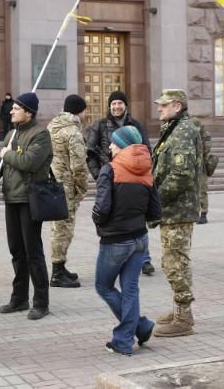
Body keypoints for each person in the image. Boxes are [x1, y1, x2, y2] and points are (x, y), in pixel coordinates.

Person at [0, 93, 53, 320]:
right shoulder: (11, 134)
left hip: (30, 199)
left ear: (28, 112)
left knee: (33, 252)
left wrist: (8, 153)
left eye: (15, 108)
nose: (11, 112)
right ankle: (19, 298)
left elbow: (29, 162)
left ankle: (41, 302)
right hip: (11, 198)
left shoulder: (40, 135)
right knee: (16, 251)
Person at [93, 125, 161, 355]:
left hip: (115, 240)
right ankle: (140, 327)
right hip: (140, 239)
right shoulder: (147, 170)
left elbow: (101, 208)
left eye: (113, 142)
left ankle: (124, 339)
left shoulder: (109, 170)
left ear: (122, 145)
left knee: (103, 286)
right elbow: (155, 212)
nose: (110, 146)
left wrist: (99, 223)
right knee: (130, 289)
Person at [86, 90, 156, 276]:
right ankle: (117, 258)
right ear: (109, 107)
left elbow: (147, 150)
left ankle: (144, 259)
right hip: (110, 178)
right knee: (112, 215)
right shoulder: (100, 125)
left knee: (137, 216)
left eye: (119, 103)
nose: (116, 107)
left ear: (126, 105)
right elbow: (90, 153)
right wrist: (99, 175)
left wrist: (145, 172)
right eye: (113, 104)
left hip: (134, 178)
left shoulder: (136, 124)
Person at [151, 89, 201, 337]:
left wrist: (155, 201)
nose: (159, 108)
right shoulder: (173, 128)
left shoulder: (182, 131)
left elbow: (181, 175)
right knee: (171, 260)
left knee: (175, 262)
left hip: (177, 209)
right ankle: (178, 308)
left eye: (164, 105)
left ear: (177, 106)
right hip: (173, 209)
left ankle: (184, 317)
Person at [47, 94, 89, 288]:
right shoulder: (73, 132)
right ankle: (57, 273)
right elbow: (79, 166)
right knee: (64, 229)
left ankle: (60, 267)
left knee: (58, 228)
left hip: (53, 183)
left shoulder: (51, 127)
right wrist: (81, 188)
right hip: (66, 187)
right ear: (80, 110)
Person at [190, 117, 213, 225]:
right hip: (190, 165)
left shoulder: (205, 134)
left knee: (202, 190)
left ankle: (203, 213)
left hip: (201, 166)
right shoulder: (188, 133)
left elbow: (206, 149)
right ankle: (193, 213)